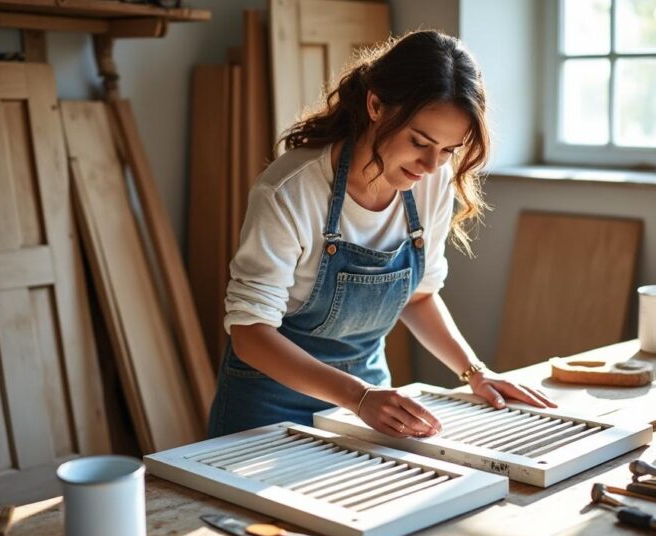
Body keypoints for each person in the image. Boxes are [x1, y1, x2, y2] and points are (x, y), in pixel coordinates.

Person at [208, 30, 556, 440]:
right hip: (270, 402)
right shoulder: (289, 191)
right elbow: (250, 333)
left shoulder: (432, 183)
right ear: (375, 105)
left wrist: (474, 372)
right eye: (419, 142)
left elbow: (419, 296)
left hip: (370, 399)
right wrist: (357, 396)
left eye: (448, 150)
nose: (431, 165)